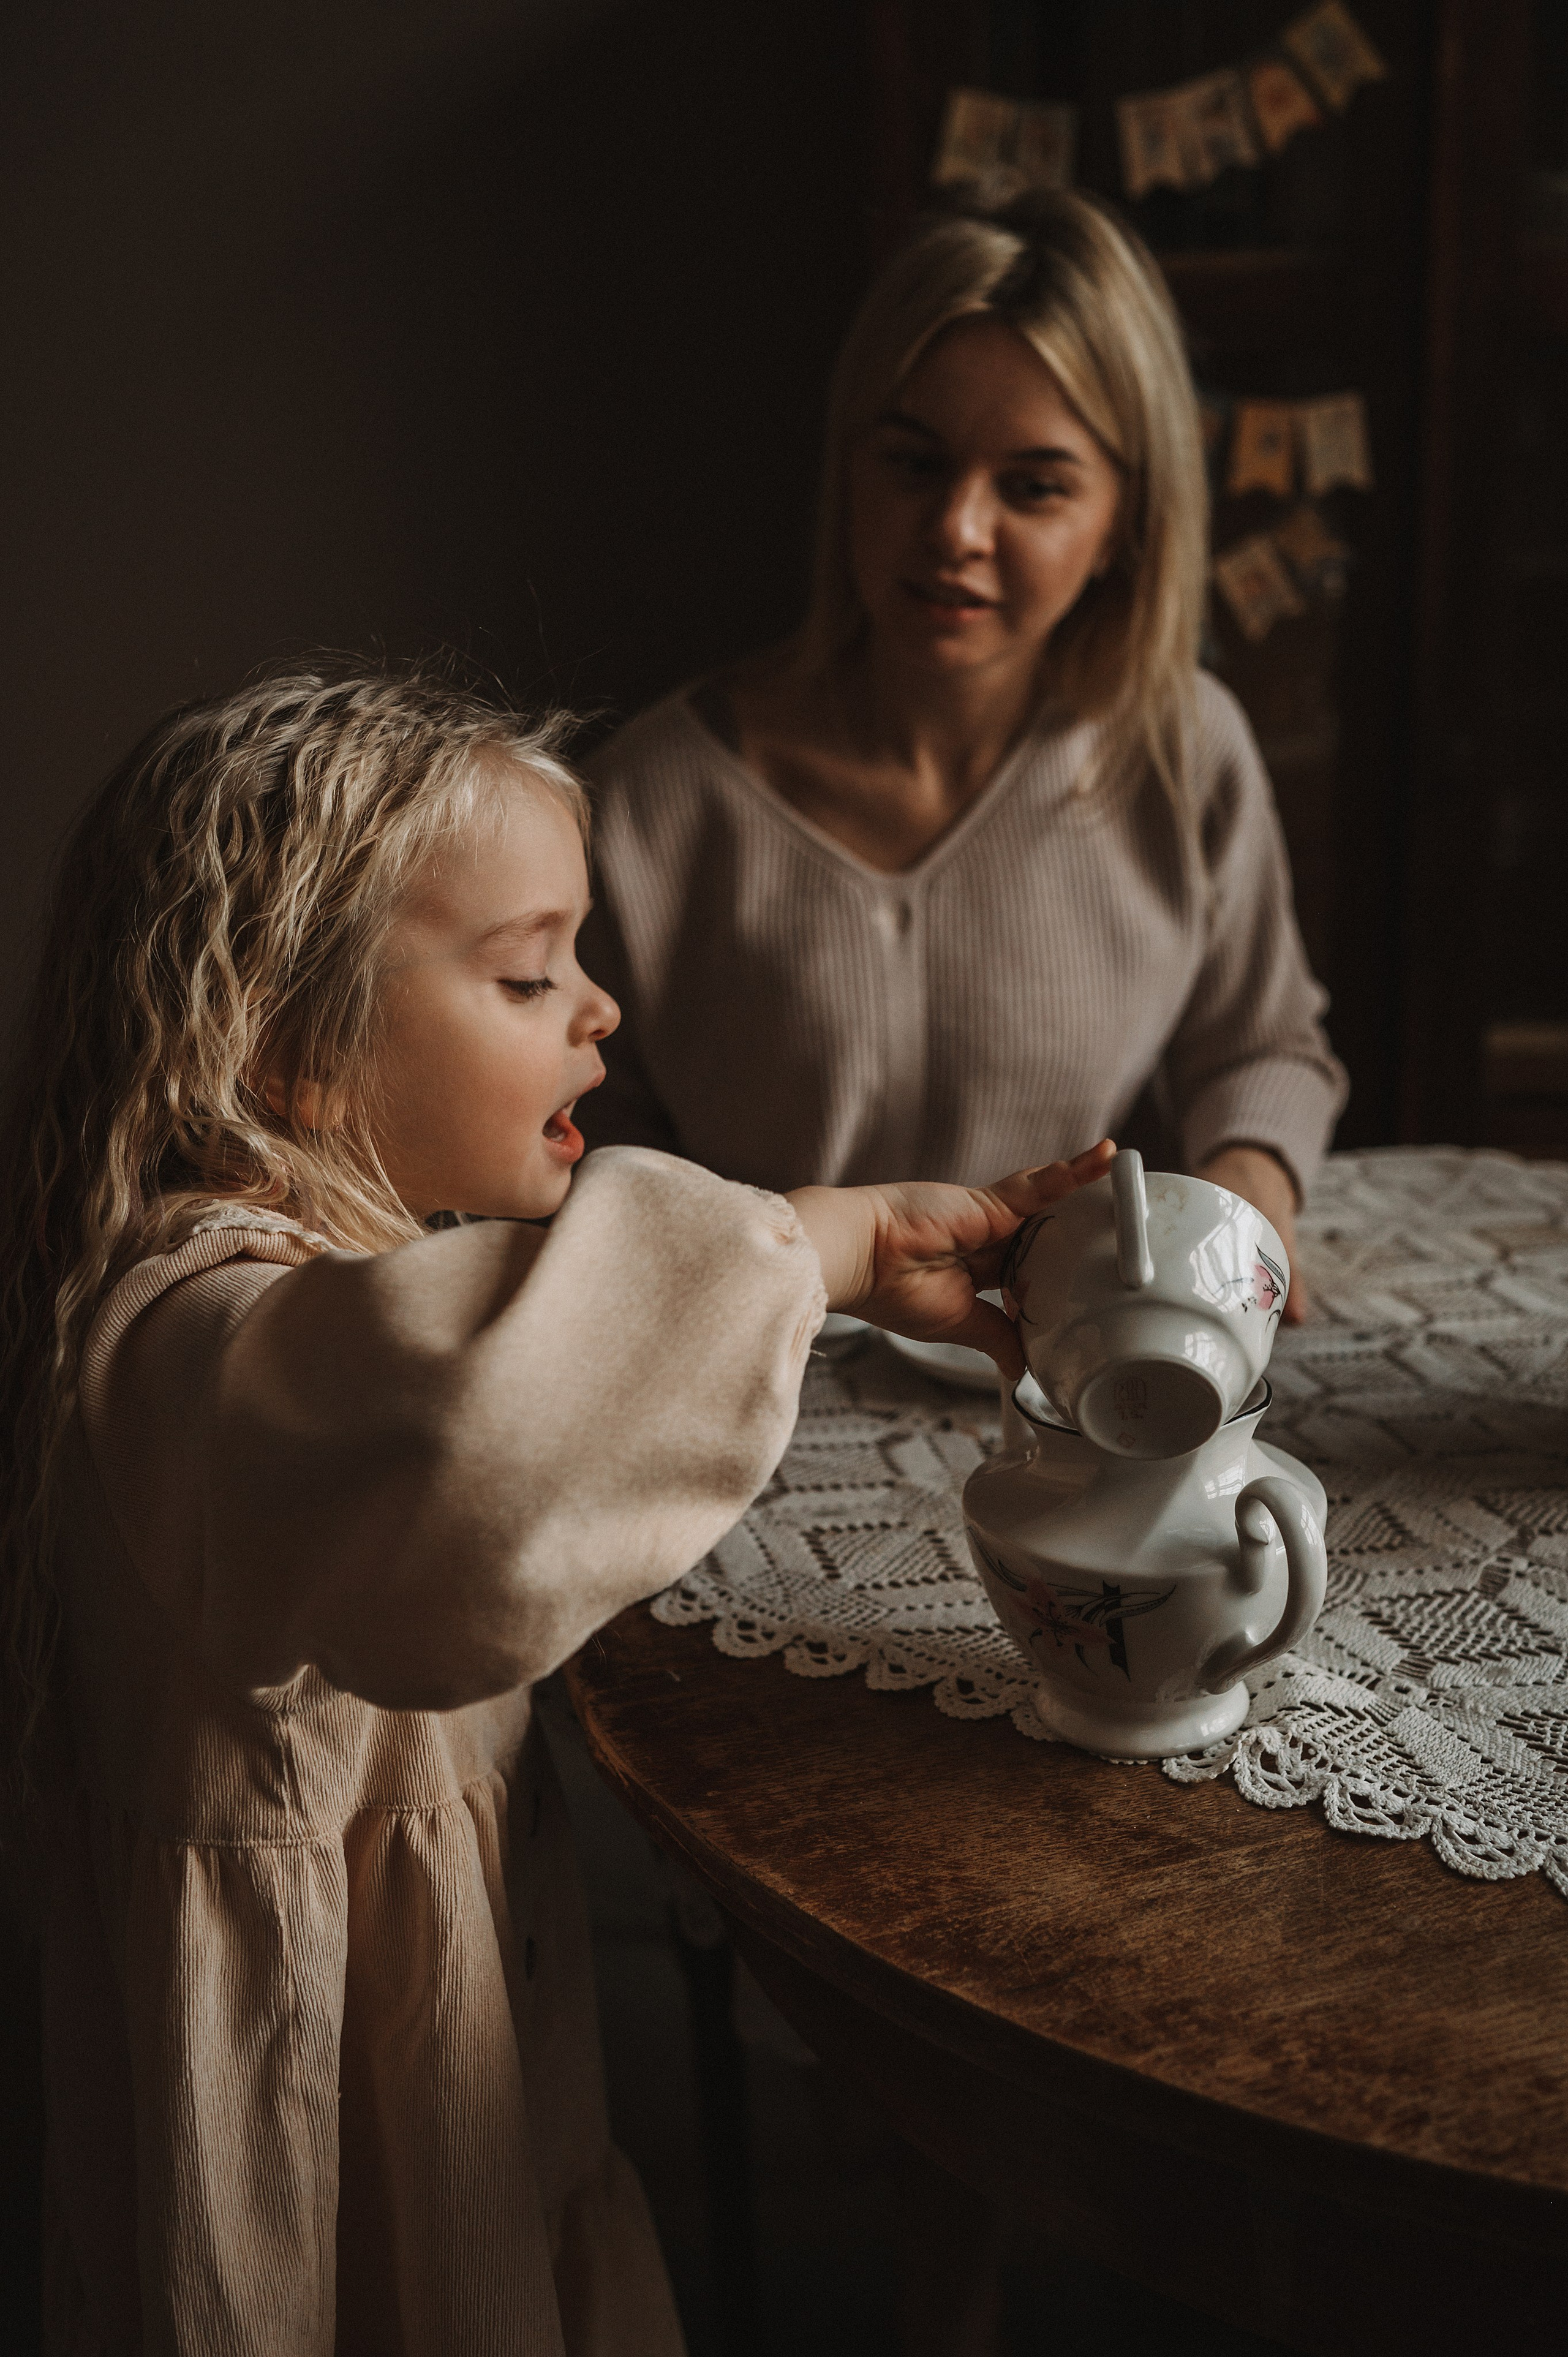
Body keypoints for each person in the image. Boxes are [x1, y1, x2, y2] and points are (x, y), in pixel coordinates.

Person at [0, 663, 1113, 2356]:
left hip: (447, 2070)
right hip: (319, 2178)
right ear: (288, 1046)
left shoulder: (323, 1277)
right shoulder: (192, 1347)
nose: (600, 1010)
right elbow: (475, 1425)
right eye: (529, 972)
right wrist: (824, 1238)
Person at [580, 190, 1348, 1319]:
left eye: (1034, 487)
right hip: (744, 1381)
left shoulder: (1184, 751)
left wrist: (1240, 1212)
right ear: (851, 465)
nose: (958, 530)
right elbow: (592, 1133)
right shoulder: (652, 801)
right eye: (914, 464)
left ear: (1126, 520)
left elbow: (1262, 1047)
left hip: (1081, 1375)